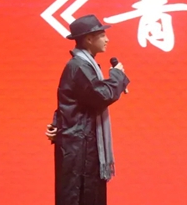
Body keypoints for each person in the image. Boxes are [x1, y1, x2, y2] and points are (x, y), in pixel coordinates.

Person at [45, 14, 130, 205]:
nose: (107, 39)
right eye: (102, 35)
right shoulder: (80, 66)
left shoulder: (84, 65)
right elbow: (100, 96)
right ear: (89, 39)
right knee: (78, 196)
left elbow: (72, 101)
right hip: (79, 146)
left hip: (82, 142)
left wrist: (56, 124)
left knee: (88, 195)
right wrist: (117, 76)